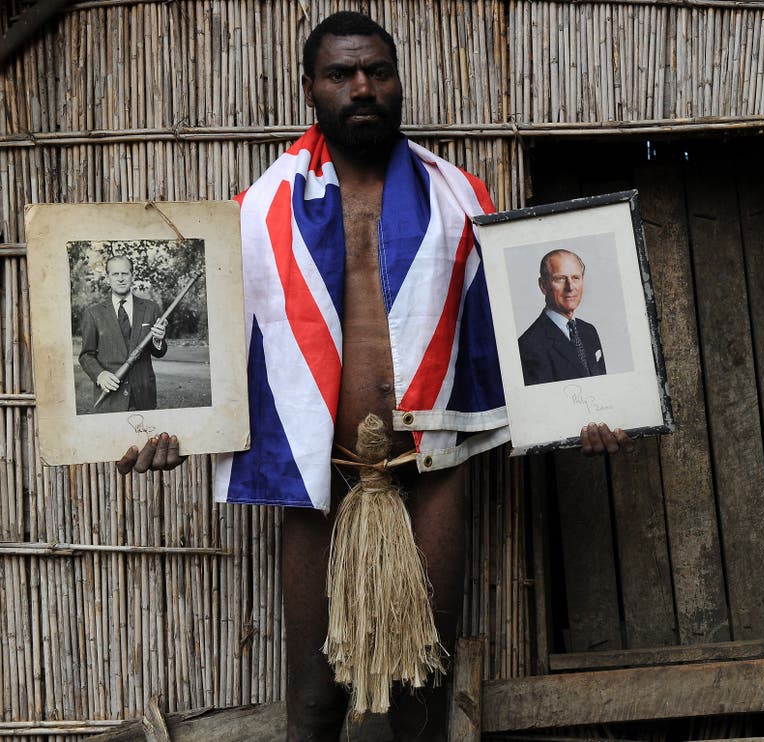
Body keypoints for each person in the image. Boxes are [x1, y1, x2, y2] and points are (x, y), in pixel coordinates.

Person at [118, 12, 633, 741]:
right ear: (310, 89)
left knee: (423, 699)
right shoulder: (257, 212)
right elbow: (209, 345)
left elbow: (509, 339)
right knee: (314, 703)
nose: (362, 88)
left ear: (397, 81)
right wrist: (151, 428)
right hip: (321, 476)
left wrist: (584, 408)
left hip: (431, 469)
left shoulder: (460, 199)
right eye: (340, 74)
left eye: (377, 72)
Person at [78, 255, 168, 412]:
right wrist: (99, 375)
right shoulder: (93, 313)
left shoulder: (151, 308)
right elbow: (86, 355)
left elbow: (159, 352)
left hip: (144, 396)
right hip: (111, 398)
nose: (120, 279)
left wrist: (158, 340)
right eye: (115, 274)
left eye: (125, 273)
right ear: (108, 278)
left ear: (132, 276)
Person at [518, 249, 607, 386]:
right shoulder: (529, 345)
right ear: (543, 286)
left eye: (576, 278)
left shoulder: (589, 331)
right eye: (560, 279)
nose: (570, 287)